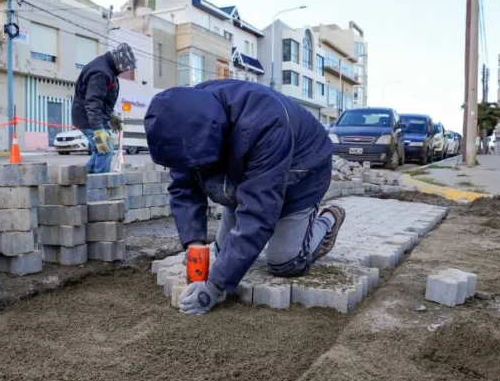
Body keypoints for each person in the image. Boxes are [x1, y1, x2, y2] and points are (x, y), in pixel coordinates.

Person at [144, 80, 345, 315]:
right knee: (223, 256)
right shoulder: (185, 122)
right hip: (250, 173)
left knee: (284, 263)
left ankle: (328, 219)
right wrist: (194, 245)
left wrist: (214, 287)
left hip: (303, 173)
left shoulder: (265, 124)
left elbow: (259, 212)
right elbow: (184, 187)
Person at [72, 43, 137, 174]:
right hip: (88, 118)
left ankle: (81, 178)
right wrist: (98, 129)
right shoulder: (101, 73)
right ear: (119, 61)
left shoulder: (107, 68)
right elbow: (93, 101)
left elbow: (102, 98)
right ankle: (98, 187)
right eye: (125, 68)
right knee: (105, 149)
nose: (125, 71)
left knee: (100, 150)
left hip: (92, 116)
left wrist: (111, 114)